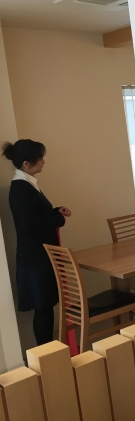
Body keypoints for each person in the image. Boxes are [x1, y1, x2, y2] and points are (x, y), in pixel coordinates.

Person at [2, 139, 71, 346]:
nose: (43, 162)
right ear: (26, 163)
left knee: (45, 307)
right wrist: (58, 220)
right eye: (39, 158)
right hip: (35, 259)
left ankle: (48, 353)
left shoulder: (27, 184)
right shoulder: (21, 188)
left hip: (38, 257)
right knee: (43, 308)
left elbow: (35, 215)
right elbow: (28, 225)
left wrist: (55, 211)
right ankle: (46, 354)